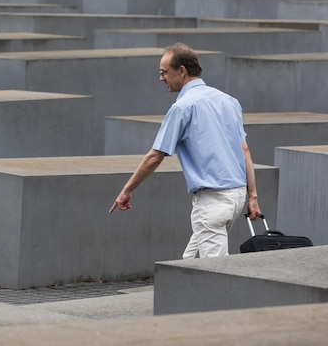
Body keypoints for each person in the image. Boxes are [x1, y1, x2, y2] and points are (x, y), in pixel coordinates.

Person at [109, 42, 262, 259]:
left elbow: (155, 156)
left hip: (213, 200)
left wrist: (126, 190)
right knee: (189, 263)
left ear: (181, 71)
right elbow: (244, 149)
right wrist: (252, 196)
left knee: (215, 273)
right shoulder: (229, 101)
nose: (161, 78)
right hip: (237, 195)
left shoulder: (182, 107)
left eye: (164, 72)